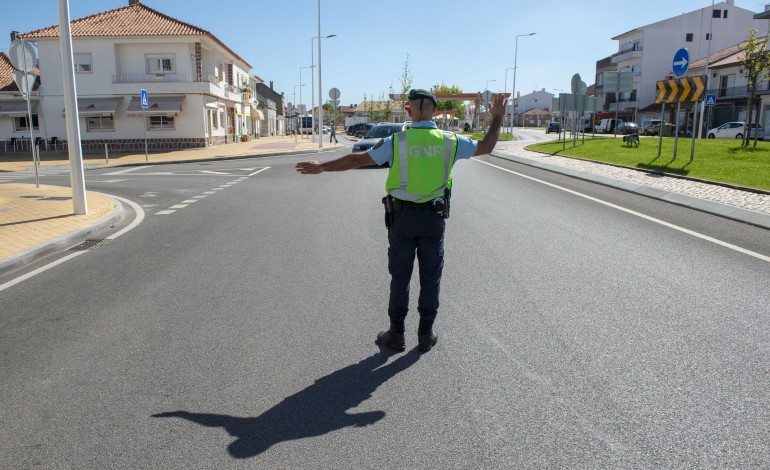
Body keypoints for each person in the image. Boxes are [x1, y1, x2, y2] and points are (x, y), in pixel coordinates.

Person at [296, 89, 505, 352]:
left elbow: (357, 159)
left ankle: (397, 335)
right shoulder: (450, 141)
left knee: (400, 277)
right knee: (431, 277)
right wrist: (497, 118)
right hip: (433, 219)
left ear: (408, 110)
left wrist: (322, 166)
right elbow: (487, 146)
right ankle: (425, 335)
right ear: (435, 111)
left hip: (402, 219)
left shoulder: (397, 142)